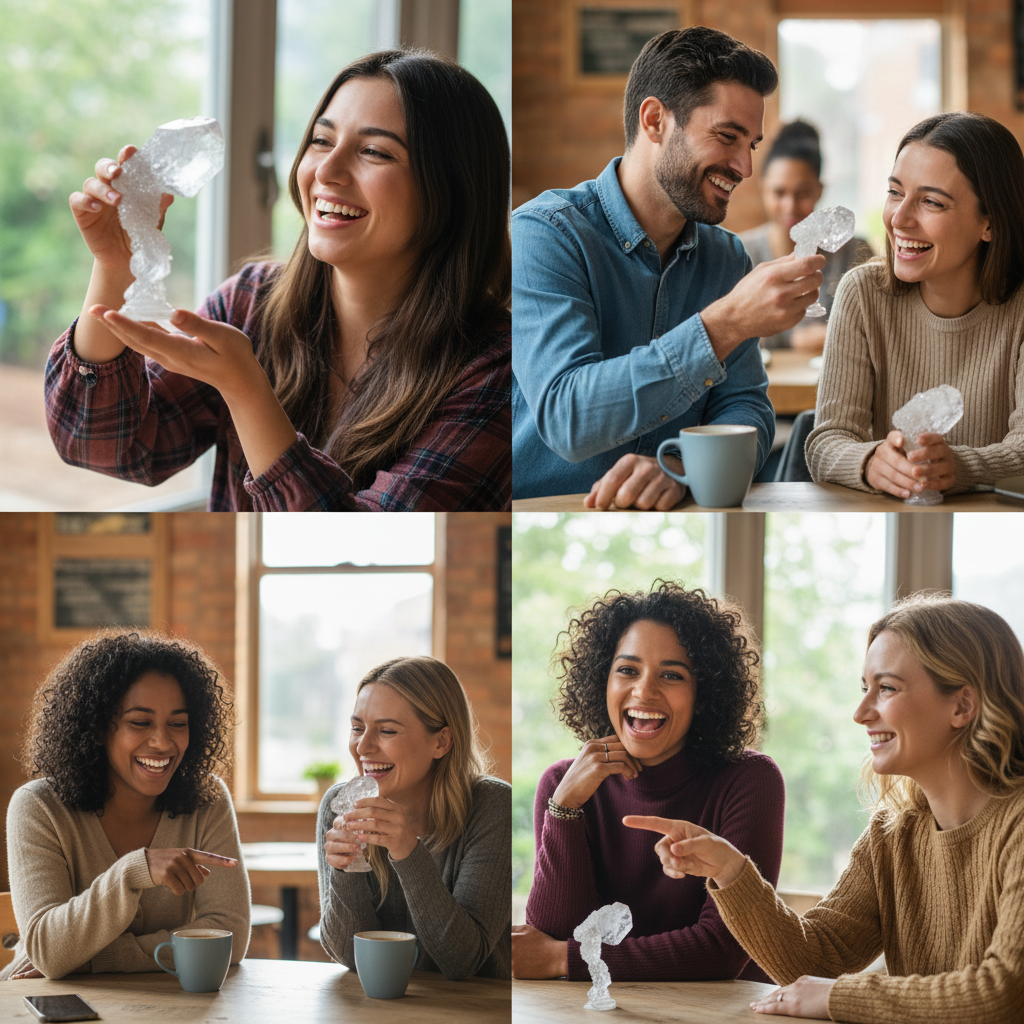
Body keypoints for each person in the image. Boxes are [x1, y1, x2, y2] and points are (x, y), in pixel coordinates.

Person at [47, 50, 511, 511]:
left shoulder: (499, 369)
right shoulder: (253, 302)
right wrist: (116, 267)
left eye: (374, 151)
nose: (326, 172)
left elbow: (356, 546)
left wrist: (246, 390)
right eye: (321, 141)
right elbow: (102, 447)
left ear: (453, 188)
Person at [627, 595, 1024, 1022]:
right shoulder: (893, 834)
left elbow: (1003, 993)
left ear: (962, 705)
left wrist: (838, 997)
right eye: (864, 688)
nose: (860, 712)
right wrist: (730, 871)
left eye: (886, 688)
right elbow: (815, 959)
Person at [512, 26, 826, 507]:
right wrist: (724, 323)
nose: (744, 166)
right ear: (655, 120)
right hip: (551, 511)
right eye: (727, 137)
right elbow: (568, 418)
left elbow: (747, 408)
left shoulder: (726, 257)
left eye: (752, 145)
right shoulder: (546, 234)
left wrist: (682, 464)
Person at [512, 581, 785, 984]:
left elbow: (720, 952)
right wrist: (564, 807)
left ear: (704, 694)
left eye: (672, 675)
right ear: (601, 681)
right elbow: (556, 931)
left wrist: (563, 961)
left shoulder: (749, 780)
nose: (644, 690)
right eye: (627, 670)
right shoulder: (561, 784)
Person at [2, 632, 249, 981]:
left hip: (164, 1010)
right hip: (44, 1006)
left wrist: (94, 959)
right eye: (140, 722)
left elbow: (229, 935)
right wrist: (135, 872)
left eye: (178, 724)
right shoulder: (38, 807)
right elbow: (49, 953)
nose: (163, 742)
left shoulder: (206, 798)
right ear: (98, 727)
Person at [806, 111, 1024, 498]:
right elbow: (826, 442)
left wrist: (957, 467)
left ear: (989, 222)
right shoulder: (863, 294)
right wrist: (871, 461)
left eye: (932, 202)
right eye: (895, 192)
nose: (899, 219)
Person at [317, 656, 510, 980]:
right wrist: (346, 868)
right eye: (357, 728)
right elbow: (350, 957)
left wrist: (408, 852)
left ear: (441, 741)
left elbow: (463, 961)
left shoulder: (491, 806)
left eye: (387, 730)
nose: (363, 746)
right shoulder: (339, 806)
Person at [740, 120, 871, 353]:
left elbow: (876, 328)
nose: (789, 206)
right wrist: (798, 339)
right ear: (763, 188)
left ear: (819, 190)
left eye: (802, 193)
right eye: (779, 193)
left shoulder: (855, 253)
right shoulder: (740, 252)